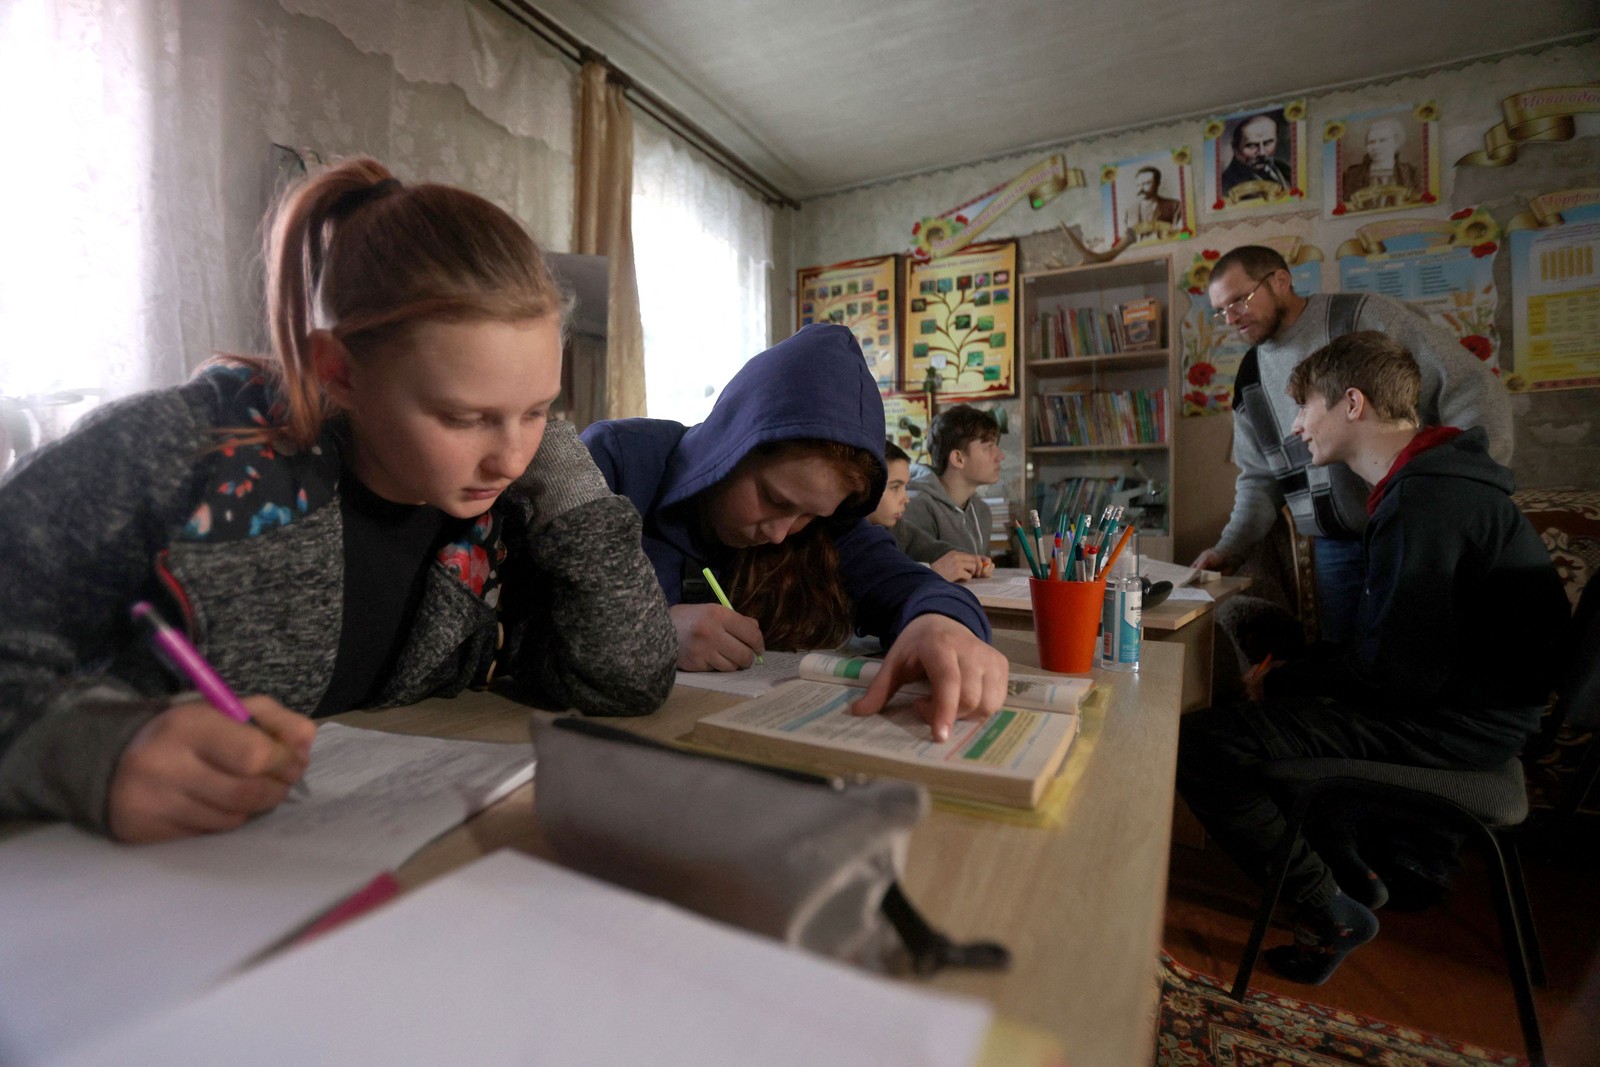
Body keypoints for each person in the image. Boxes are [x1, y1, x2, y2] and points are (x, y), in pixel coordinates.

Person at [0, 158, 677, 843]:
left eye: (538, 409)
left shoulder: (499, 507)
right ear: (340, 371)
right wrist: (93, 748)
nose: (508, 457)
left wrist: (565, 468)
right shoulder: (176, 453)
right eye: (465, 417)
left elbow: (628, 676)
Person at [1177, 332, 1567, 985]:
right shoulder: (1434, 483)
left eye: (1305, 407)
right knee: (1278, 701)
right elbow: (1390, 644)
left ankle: (1334, 908)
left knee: (1201, 745)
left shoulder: (1424, 501)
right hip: (1473, 708)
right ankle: (1352, 874)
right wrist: (1298, 674)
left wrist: (1287, 679)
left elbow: (1395, 674)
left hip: (1459, 726)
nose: (1297, 425)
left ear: (1352, 403)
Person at [581, 324, 1008, 743]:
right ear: (730, 446)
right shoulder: (616, 464)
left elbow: (908, 583)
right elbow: (528, 617)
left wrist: (940, 623)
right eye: (776, 499)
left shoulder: (822, 526)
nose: (783, 533)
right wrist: (652, 632)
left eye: (809, 515)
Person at [1192, 244, 1511, 643]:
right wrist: (1228, 549)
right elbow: (1258, 480)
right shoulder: (1249, 378)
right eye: (1221, 310)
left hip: (1414, 531)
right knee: (1350, 665)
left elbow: (1473, 388)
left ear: (1280, 280)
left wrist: (1469, 495)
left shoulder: (1362, 318)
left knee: (1427, 652)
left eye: (1239, 299)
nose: (1231, 317)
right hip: (1334, 548)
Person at [893, 405, 1000, 583]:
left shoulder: (982, 511)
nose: (1000, 456)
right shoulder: (916, 506)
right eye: (988, 447)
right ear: (958, 459)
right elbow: (909, 577)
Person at [1341, 118, 1420, 206]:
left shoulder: (1411, 173)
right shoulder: (1351, 176)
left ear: (1396, 143)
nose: (1376, 147)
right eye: (1371, 142)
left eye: (1382, 140)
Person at [1220, 113, 1292, 199]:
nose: (1262, 153)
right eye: (1252, 145)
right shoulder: (1225, 184)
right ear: (1235, 148)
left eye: (1268, 143)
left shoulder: (1285, 170)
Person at [1122, 166, 1184, 240]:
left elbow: (1184, 235)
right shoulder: (1129, 212)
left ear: (1157, 184)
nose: (1141, 189)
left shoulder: (1174, 206)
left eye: (1146, 184)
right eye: (1138, 185)